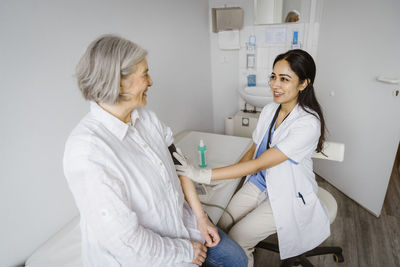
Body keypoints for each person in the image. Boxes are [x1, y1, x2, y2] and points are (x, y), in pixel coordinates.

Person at [63, 34, 247, 267]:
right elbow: (125, 243)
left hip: (184, 225)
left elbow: (179, 164)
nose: (151, 82)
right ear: (119, 82)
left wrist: (201, 218)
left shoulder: (146, 118)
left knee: (237, 259)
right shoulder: (88, 153)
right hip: (150, 256)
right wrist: (185, 250)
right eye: (145, 74)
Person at [173, 49, 330, 266]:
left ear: (303, 84)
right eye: (273, 77)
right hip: (258, 185)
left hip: (286, 194)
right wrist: (226, 177)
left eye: (285, 79)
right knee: (219, 225)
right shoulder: (269, 110)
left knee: (237, 240)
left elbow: (260, 162)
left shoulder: (307, 124)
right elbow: (254, 151)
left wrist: (202, 174)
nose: (275, 84)